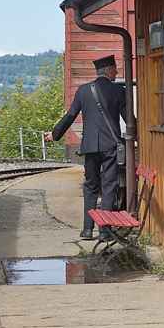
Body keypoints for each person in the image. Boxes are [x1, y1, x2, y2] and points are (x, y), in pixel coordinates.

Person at [45, 54, 127, 240]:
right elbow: (128, 120)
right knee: (108, 185)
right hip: (110, 145)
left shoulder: (83, 91)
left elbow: (70, 115)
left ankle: (87, 229)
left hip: (89, 145)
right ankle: (104, 230)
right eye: (115, 69)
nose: (116, 72)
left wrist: (55, 134)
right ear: (108, 70)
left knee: (90, 186)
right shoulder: (118, 91)